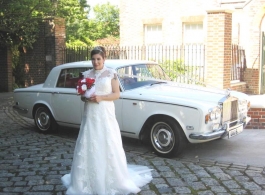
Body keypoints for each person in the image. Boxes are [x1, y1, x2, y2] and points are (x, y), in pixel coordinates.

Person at [61, 46, 153, 195]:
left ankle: (113, 179)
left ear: (104, 59)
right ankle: (84, 180)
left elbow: (116, 94)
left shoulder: (111, 74)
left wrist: (101, 97)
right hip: (90, 113)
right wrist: (85, 96)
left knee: (107, 141)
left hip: (105, 112)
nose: (96, 62)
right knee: (89, 142)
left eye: (98, 59)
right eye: (93, 59)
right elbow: (82, 94)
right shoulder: (85, 74)